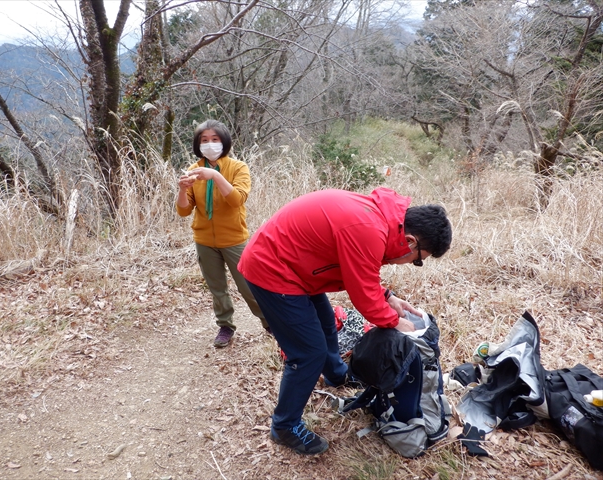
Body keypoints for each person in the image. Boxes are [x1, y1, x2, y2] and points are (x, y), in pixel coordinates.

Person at [238, 187, 452, 455]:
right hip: (273, 269)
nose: (410, 263)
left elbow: (359, 270)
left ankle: (336, 375)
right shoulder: (368, 229)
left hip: (297, 265)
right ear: (409, 241)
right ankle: (285, 426)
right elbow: (364, 296)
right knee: (307, 353)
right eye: (417, 261)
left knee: (326, 322)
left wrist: (389, 298)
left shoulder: (380, 220)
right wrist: (396, 322)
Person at [176, 119, 269, 348]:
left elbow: (237, 200)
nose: (209, 144)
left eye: (215, 140)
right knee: (217, 287)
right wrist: (182, 189)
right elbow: (184, 211)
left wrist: (215, 176)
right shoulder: (192, 170)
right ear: (198, 145)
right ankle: (225, 326)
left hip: (234, 239)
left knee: (249, 285)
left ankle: (270, 323)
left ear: (224, 142)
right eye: (204, 140)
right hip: (204, 240)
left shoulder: (238, 168)